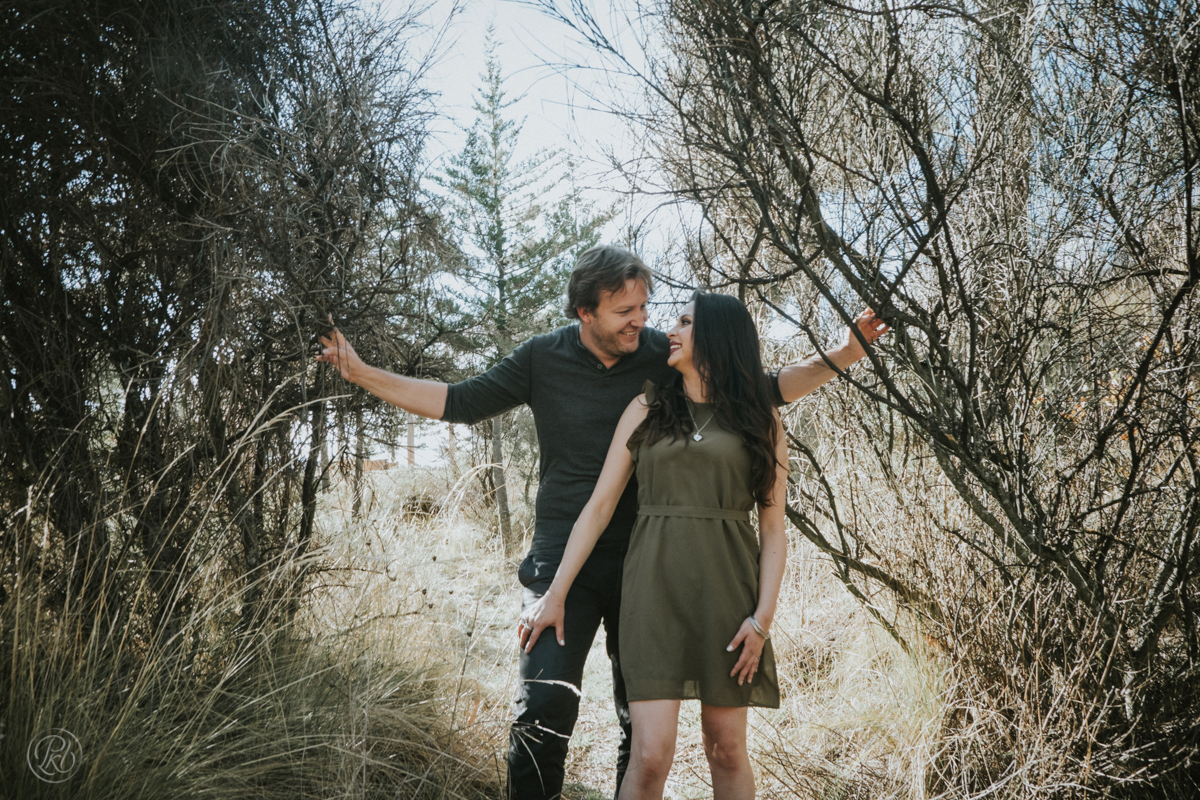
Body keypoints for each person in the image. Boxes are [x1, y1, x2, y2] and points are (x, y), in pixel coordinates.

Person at [316, 245, 888, 800]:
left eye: (645, 307)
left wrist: (845, 354)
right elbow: (458, 401)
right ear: (585, 311)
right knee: (543, 705)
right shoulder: (543, 357)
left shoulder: (660, 358)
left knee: (637, 730)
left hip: (645, 563)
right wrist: (362, 373)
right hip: (563, 556)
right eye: (625, 311)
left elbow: (760, 389)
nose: (642, 322)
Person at [518, 292, 787, 799]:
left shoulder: (761, 419)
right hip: (652, 594)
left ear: (716, 338)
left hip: (729, 598)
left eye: (685, 322)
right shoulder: (647, 406)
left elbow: (773, 528)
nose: (671, 330)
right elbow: (598, 509)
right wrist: (555, 594)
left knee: (727, 748)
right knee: (650, 754)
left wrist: (762, 621)